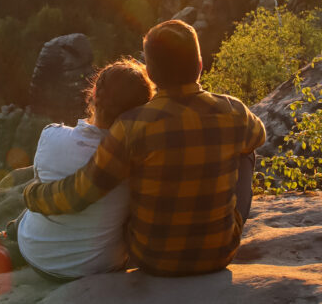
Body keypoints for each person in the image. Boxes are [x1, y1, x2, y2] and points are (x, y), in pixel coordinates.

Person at [23, 19, 266, 277]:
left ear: (150, 73)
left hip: (152, 259)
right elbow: (258, 137)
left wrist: (32, 195)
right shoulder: (234, 111)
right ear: (200, 65)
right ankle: (217, 228)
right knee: (246, 151)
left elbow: (80, 193)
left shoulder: (132, 126)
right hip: (220, 255)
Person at [6, 58, 154, 281]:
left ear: (94, 94)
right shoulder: (138, 160)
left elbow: (45, 188)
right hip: (100, 266)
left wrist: (30, 195)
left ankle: (11, 235)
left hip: (37, 257)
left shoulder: (51, 135)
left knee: (35, 196)